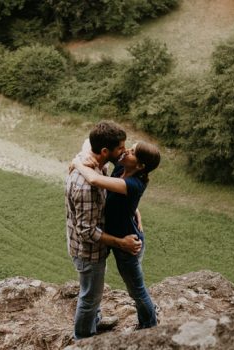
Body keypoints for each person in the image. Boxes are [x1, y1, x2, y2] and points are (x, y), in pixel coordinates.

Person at [65, 121, 142, 340]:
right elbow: (87, 232)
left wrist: (79, 158)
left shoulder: (95, 157)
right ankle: (83, 338)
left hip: (95, 249)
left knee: (94, 290)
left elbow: (86, 142)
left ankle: (95, 319)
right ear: (105, 151)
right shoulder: (86, 187)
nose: (124, 152)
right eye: (120, 148)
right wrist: (121, 242)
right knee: (89, 296)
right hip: (88, 250)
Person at [73, 140, 161, 330]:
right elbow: (92, 142)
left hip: (128, 245)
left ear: (140, 165)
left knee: (136, 291)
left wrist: (77, 163)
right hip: (121, 238)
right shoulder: (123, 166)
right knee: (132, 288)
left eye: (132, 151)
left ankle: (149, 327)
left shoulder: (133, 183)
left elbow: (95, 180)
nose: (127, 151)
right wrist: (134, 209)